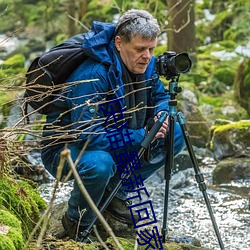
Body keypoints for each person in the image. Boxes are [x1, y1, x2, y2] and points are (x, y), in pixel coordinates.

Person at [41, 9, 185, 241]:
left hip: (117, 136)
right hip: (68, 149)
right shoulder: (92, 75)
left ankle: (116, 192)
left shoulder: (145, 64)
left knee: (175, 132)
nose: (147, 56)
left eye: (151, 49)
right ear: (119, 43)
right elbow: (87, 135)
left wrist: (161, 114)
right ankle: (76, 222)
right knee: (100, 165)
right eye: (140, 49)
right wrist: (141, 135)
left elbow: (159, 96)